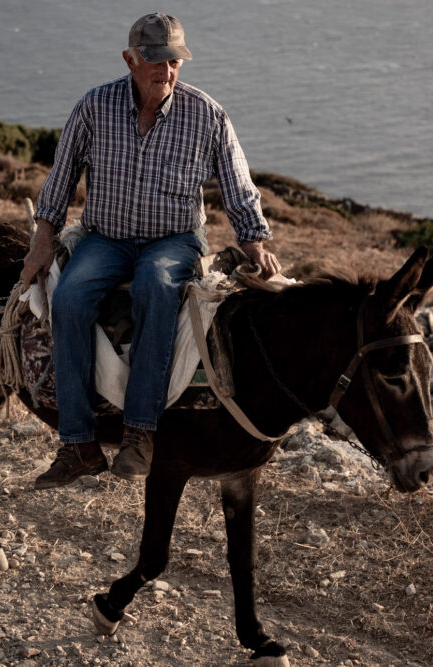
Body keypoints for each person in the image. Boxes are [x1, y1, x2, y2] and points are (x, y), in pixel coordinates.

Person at [21, 13, 280, 489]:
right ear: (131, 59)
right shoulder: (95, 106)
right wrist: (42, 240)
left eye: (176, 61)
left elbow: (238, 184)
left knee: (156, 287)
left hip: (174, 240)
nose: (168, 71)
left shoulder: (207, 115)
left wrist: (254, 243)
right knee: (69, 300)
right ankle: (77, 443)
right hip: (105, 237)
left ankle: (140, 433)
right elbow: (60, 177)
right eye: (157, 61)